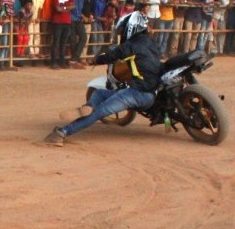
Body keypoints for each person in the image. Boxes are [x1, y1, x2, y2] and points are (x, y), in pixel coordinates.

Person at [43, 12, 160, 147]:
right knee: (99, 93)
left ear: (131, 28)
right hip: (151, 91)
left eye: (123, 30)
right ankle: (88, 106)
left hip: (138, 92)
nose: (121, 33)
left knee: (99, 111)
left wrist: (95, 60)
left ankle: (62, 133)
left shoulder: (130, 46)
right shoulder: (151, 43)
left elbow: (112, 56)